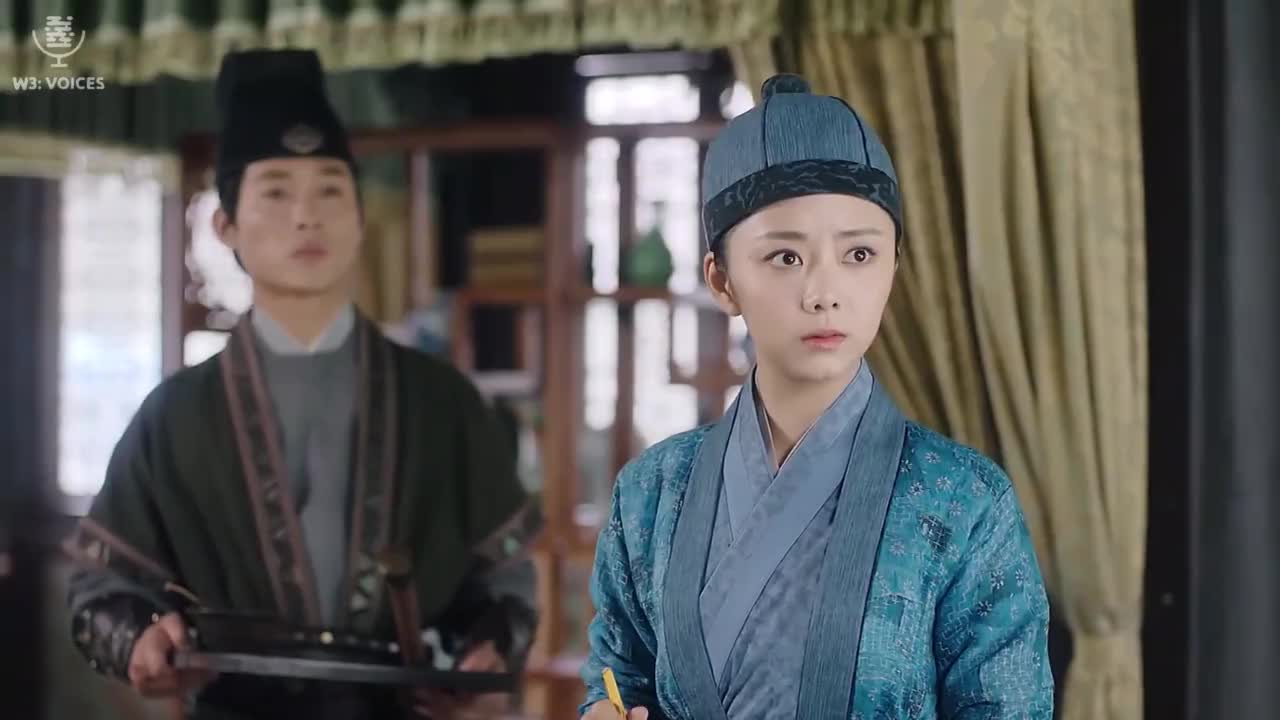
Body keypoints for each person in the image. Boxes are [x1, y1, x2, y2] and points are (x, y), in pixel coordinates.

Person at [63, 49, 540, 720]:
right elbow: (98, 586)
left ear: (360, 217)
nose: (306, 216)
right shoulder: (176, 414)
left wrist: (488, 653)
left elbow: (507, 583)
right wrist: (137, 639)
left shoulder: (441, 400)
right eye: (277, 191)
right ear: (226, 225)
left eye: (330, 191)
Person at [579, 74, 1054, 719]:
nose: (824, 293)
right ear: (721, 281)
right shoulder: (653, 492)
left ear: (894, 266)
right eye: (785, 258)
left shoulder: (964, 499)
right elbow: (618, 677)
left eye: (859, 254)